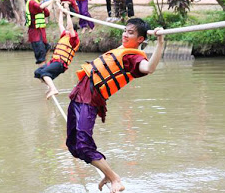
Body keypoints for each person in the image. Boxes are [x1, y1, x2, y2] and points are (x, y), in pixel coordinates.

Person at [66, 18, 165, 193]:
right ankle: (107, 173)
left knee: (83, 145)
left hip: (90, 100)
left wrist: (160, 42)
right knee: (73, 146)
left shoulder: (133, 57)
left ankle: (115, 179)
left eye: (131, 33)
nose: (125, 35)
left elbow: (149, 68)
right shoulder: (123, 49)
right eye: (125, 31)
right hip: (79, 95)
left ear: (141, 39)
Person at [34, 3, 79, 99]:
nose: (66, 29)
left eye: (68, 29)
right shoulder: (64, 35)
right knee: (38, 72)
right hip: (54, 61)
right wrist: (61, 12)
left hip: (61, 64)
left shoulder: (74, 39)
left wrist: (67, 14)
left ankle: (53, 89)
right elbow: (60, 24)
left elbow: (70, 27)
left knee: (44, 73)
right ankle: (50, 86)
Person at [26, 0, 55, 66]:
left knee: (47, 47)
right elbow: (41, 6)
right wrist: (51, 0)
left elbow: (47, 12)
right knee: (40, 57)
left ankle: (44, 68)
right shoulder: (32, 2)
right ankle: (43, 71)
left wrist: (52, 2)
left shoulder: (39, 4)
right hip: (35, 35)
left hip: (42, 35)